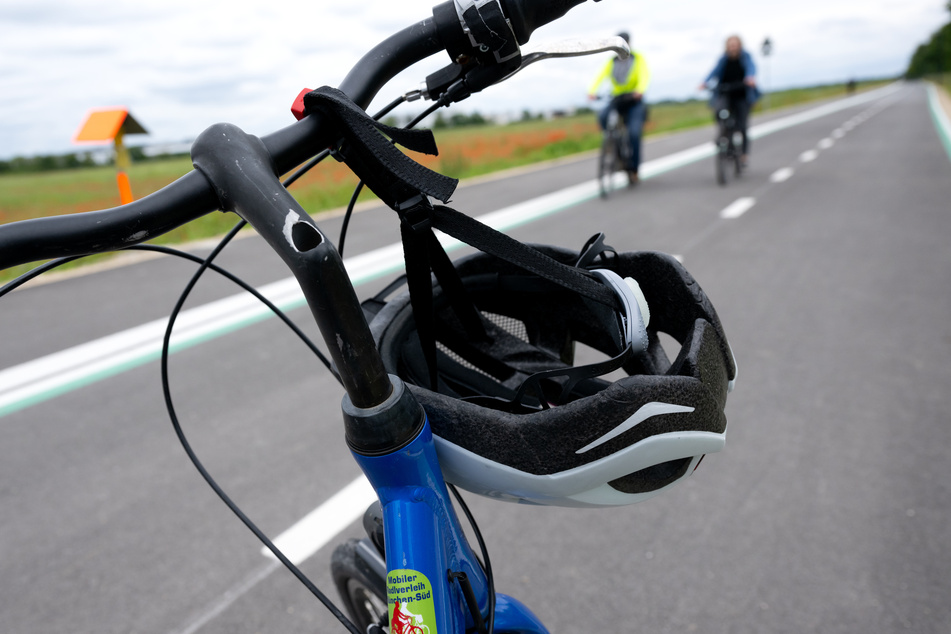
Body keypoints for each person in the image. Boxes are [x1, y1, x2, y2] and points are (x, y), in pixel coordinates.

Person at [588, 31, 651, 185]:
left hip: (633, 101)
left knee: (634, 133)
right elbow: (601, 76)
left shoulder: (638, 57)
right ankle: (613, 144)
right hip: (617, 99)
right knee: (603, 116)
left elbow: (645, 74)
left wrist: (640, 91)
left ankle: (634, 169)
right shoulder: (612, 61)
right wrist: (592, 91)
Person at [699, 35, 760, 165]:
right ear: (727, 46)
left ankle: (743, 154)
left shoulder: (745, 57)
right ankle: (722, 135)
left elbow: (751, 68)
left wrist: (750, 78)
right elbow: (714, 72)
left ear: (739, 45)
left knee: (742, 126)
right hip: (726, 93)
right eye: (730, 45)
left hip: (741, 94)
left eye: (735, 45)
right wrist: (704, 82)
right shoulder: (723, 59)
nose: (733, 47)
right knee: (719, 111)